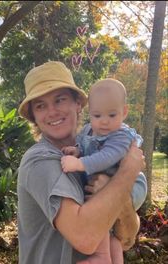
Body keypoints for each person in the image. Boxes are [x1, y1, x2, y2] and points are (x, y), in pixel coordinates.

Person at [17, 61, 147, 264]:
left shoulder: (92, 148)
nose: (52, 111)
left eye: (59, 100)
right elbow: (85, 238)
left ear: (78, 103)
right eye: (41, 105)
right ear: (34, 116)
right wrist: (128, 171)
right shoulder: (40, 160)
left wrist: (117, 194)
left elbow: (127, 238)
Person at [61, 78, 144, 264]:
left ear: (124, 112)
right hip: (110, 181)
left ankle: (101, 257)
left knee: (103, 213)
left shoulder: (121, 136)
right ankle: (113, 257)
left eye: (112, 115)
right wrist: (77, 150)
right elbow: (87, 146)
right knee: (106, 224)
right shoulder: (89, 131)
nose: (104, 122)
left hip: (133, 186)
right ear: (89, 114)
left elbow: (106, 157)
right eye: (97, 116)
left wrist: (79, 164)